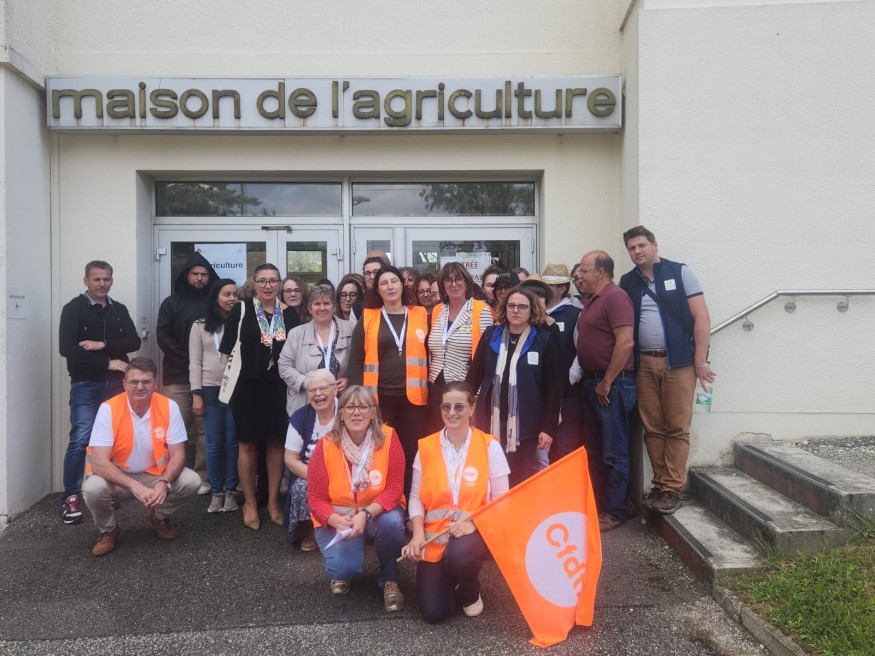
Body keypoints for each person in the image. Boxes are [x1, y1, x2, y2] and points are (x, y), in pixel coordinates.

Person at [619, 226, 716, 515]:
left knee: (676, 427)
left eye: (641, 245)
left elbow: (702, 317)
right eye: (632, 248)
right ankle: (660, 484)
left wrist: (700, 361)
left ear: (654, 244)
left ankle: (672, 489)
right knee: (652, 428)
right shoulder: (628, 281)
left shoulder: (679, 272)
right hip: (644, 364)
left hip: (679, 363)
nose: (637, 251)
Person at [401, 382, 510, 623]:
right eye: (446, 406)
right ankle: (451, 579)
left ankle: (469, 591)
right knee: (434, 613)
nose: (452, 413)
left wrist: (475, 524)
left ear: (472, 408)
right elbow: (416, 497)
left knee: (462, 555)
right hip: (435, 537)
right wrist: (417, 535)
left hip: (474, 535)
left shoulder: (489, 446)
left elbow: (502, 500)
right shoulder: (426, 446)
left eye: (459, 406)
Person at [81, 357, 201, 557]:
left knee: (192, 481)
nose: (140, 387)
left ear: (156, 383)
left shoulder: (169, 406)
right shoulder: (108, 409)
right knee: (93, 488)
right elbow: (99, 463)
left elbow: (179, 454)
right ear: (124, 384)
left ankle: (158, 517)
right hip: (118, 478)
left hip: (155, 475)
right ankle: (109, 530)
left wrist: (164, 482)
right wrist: (134, 486)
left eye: (146, 382)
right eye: (134, 382)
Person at [307, 386, 406, 611]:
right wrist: (333, 519)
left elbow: (394, 488)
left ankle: (389, 579)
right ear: (341, 414)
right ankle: (346, 562)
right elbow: (315, 498)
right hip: (340, 518)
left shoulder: (389, 437)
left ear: (373, 413)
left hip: (376, 513)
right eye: (350, 407)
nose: (357, 412)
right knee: (343, 569)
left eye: (363, 407)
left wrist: (366, 514)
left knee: (392, 524)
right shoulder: (325, 445)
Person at [58, 260, 141, 524]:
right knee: (81, 438)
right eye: (97, 279)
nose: (102, 284)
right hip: (86, 383)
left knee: (113, 438)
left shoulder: (118, 309)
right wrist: (107, 362)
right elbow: (67, 349)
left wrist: (101, 344)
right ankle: (71, 497)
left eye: (106, 279)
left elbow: (134, 341)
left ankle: (108, 489)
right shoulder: (73, 309)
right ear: (86, 281)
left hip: (116, 384)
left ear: (111, 280)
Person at [220, 263, 300, 530]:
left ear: (279, 284)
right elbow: (228, 350)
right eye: (263, 281)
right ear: (254, 284)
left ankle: (274, 501)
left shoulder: (289, 314)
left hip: (279, 389)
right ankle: (251, 503)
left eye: (273, 280)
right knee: (248, 444)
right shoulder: (241, 310)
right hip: (247, 388)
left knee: (277, 443)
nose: (268, 285)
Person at [466, 286, 560, 486]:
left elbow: (553, 389)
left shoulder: (542, 340)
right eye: (511, 306)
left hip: (526, 427)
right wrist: (464, 410)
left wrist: (548, 428)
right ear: (504, 308)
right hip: (489, 424)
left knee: (520, 480)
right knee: (489, 480)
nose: (516, 310)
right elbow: (473, 378)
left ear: (532, 310)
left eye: (522, 307)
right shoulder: (490, 336)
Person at [348, 266, 429, 495]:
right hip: (378, 399)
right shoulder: (369, 316)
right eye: (384, 283)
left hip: (414, 400)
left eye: (394, 281)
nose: (390, 286)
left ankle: (410, 500)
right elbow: (355, 359)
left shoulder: (420, 314)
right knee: (381, 452)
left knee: (411, 452)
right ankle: (383, 499)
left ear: (403, 285)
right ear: (378, 290)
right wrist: (355, 395)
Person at [574, 250, 636, 532]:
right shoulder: (593, 300)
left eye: (584, 270)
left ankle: (615, 511)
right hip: (593, 382)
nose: (579, 275)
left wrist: (607, 381)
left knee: (614, 451)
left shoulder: (615, 297)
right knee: (597, 450)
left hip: (611, 384)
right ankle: (600, 506)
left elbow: (625, 343)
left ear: (600, 272)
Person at [157, 252, 219, 494]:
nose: (200, 278)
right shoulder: (171, 303)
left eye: (204, 274)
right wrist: (189, 362)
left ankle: (203, 477)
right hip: (178, 376)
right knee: (177, 427)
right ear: (186, 275)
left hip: (209, 378)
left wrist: (202, 366)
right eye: (195, 274)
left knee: (205, 429)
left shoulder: (216, 304)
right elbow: (163, 336)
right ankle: (174, 474)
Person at [189, 278, 240, 513]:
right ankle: (216, 491)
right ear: (216, 298)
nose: (232, 299)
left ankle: (231, 491)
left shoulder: (241, 322)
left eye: (235, 294)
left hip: (236, 388)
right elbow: (195, 362)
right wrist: (196, 393)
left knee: (232, 442)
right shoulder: (200, 326)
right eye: (226, 294)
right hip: (210, 388)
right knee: (213, 443)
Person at [427, 263, 492, 433]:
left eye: (459, 279)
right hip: (436, 385)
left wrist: (475, 394)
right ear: (442, 285)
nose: (454, 284)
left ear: (467, 282)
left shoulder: (481, 310)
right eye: (448, 280)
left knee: (463, 436)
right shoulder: (438, 310)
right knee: (441, 435)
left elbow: (486, 357)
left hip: (465, 386)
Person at [283, 369, 338, 551]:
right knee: (301, 487)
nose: (318, 394)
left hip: (345, 471)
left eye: (323, 388)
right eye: (312, 390)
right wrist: (317, 477)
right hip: (311, 473)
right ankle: (313, 528)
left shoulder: (347, 411)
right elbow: (290, 458)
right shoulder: (300, 417)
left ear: (335, 389)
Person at [278, 283, 352, 416]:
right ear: (309, 308)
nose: (322, 308)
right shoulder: (296, 334)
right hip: (305, 403)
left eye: (326, 303)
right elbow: (284, 366)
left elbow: (360, 362)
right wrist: (306, 382)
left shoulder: (350, 330)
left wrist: (350, 380)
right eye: (317, 304)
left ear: (334, 307)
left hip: (342, 403)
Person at [540, 264, 583, 460]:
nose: (545, 290)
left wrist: (571, 377)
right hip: (542, 393)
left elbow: (582, 350)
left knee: (566, 446)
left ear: (562, 288)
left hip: (568, 394)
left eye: (549, 286)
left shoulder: (575, 314)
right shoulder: (535, 313)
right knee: (541, 448)